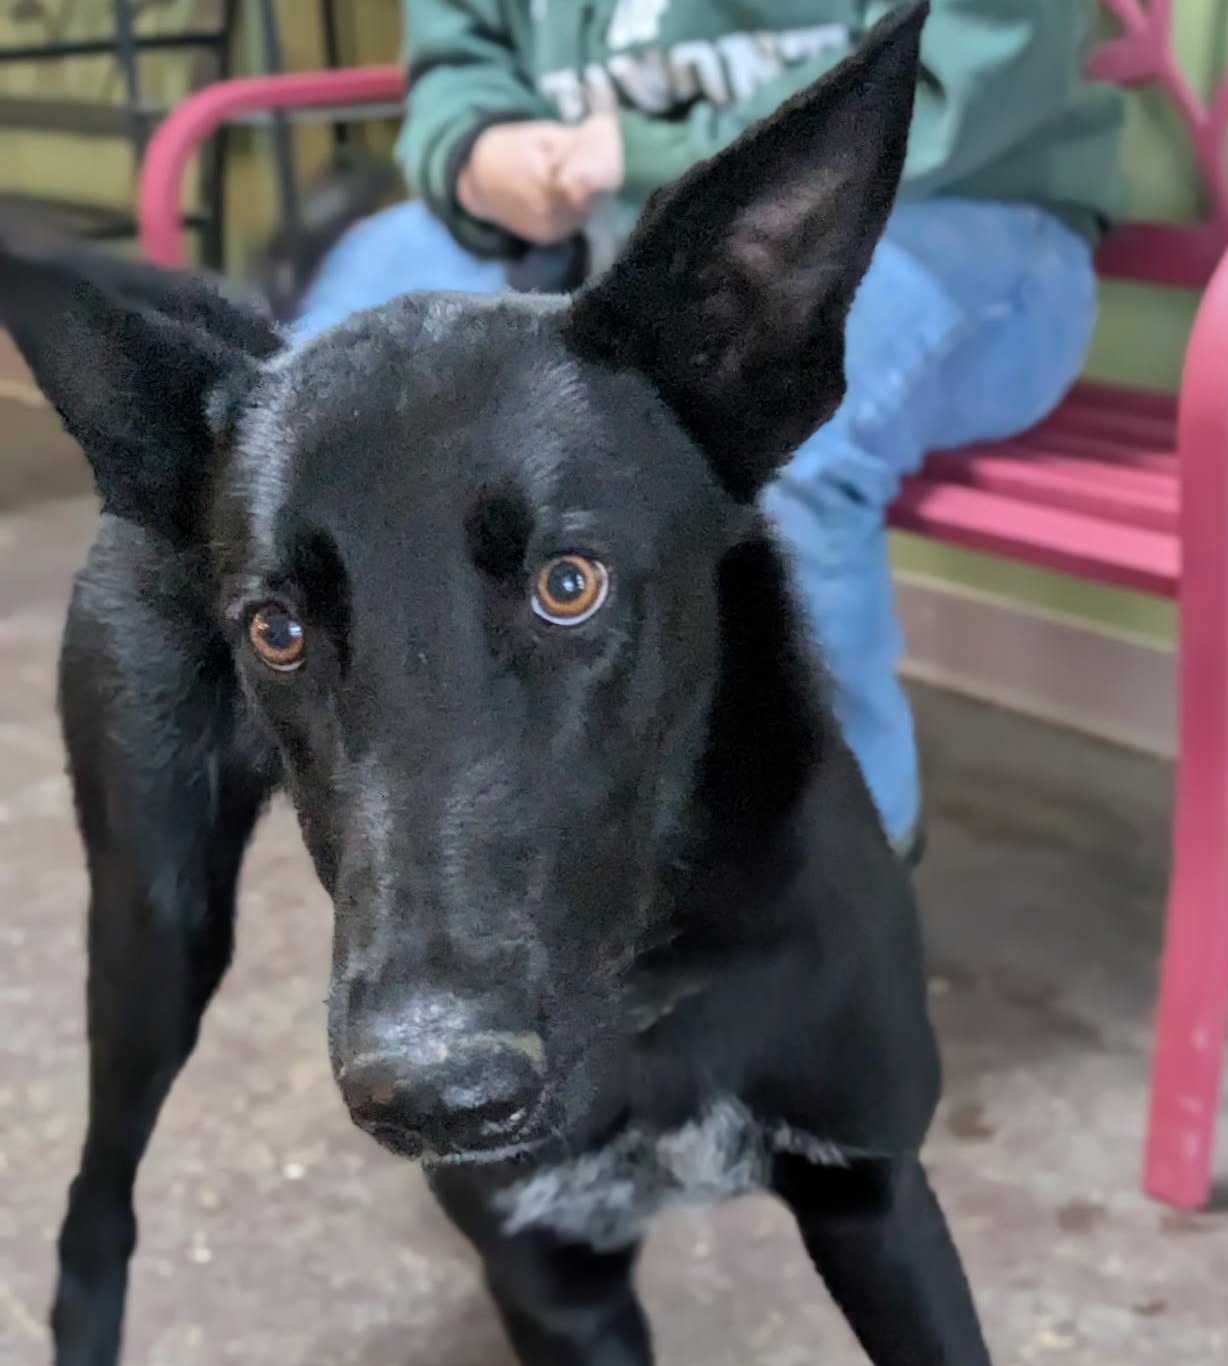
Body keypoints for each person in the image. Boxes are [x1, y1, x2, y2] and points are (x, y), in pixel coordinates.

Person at [290, 0, 1125, 863]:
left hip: (953, 202)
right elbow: (458, 60)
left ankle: (845, 862)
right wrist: (474, 152)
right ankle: (454, 820)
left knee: (782, 442)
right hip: (595, 232)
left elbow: (965, 85)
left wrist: (637, 152)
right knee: (329, 388)